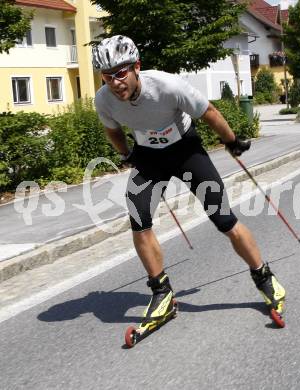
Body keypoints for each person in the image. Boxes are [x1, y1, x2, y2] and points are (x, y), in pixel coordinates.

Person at [92, 35, 286, 330]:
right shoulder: (103, 99)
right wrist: (125, 154)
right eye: (108, 76)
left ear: (136, 68)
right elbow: (112, 130)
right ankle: (162, 293)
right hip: (149, 157)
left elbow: (208, 112)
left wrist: (231, 141)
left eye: (121, 73)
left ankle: (264, 276)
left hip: (185, 151)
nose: (115, 82)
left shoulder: (167, 85)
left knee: (223, 219)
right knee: (138, 219)